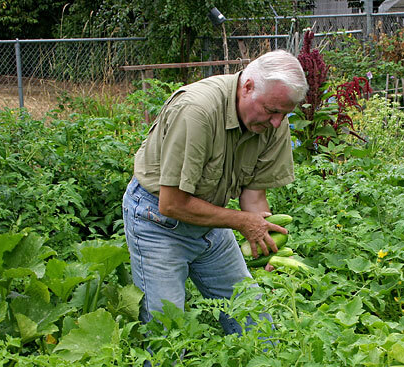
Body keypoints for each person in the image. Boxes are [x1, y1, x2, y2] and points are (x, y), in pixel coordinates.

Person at [122, 50, 309, 335]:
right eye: (272, 110)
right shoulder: (197, 112)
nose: (276, 123)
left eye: (285, 114)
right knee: (167, 333)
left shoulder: (274, 122)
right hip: (157, 221)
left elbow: (253, 198)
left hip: (212, 219)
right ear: (247, 87)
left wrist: (267, 249)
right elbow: (171, 204)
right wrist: (241, 222)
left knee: (254, 319)